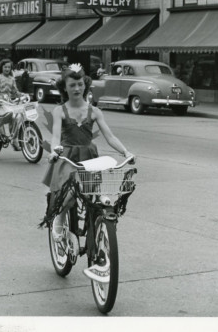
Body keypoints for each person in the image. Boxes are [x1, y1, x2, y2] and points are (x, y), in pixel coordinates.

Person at [42, 63, 133, 283]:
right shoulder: (60, 111)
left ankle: (100, 237)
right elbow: (55, 137)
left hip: (89, 159)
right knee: (70, 194)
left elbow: (110, 137)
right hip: (67, 160)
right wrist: (55, 150)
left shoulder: (94, 111)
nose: (76, 89)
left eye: (80, 84)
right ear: (65, 87)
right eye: (72, 85)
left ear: (86, 85)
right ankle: (59, 220)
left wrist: (125, 151)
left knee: (99, 198)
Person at [0, 58, 22, 149]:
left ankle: (14, 139)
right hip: (0, 102)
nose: (7, 69)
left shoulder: (12, 79)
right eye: (5, 67)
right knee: (7, 114)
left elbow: (15, 92)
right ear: (1, 68)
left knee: (18, 117)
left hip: (9, 102)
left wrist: (22, 95)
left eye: (9, 67)